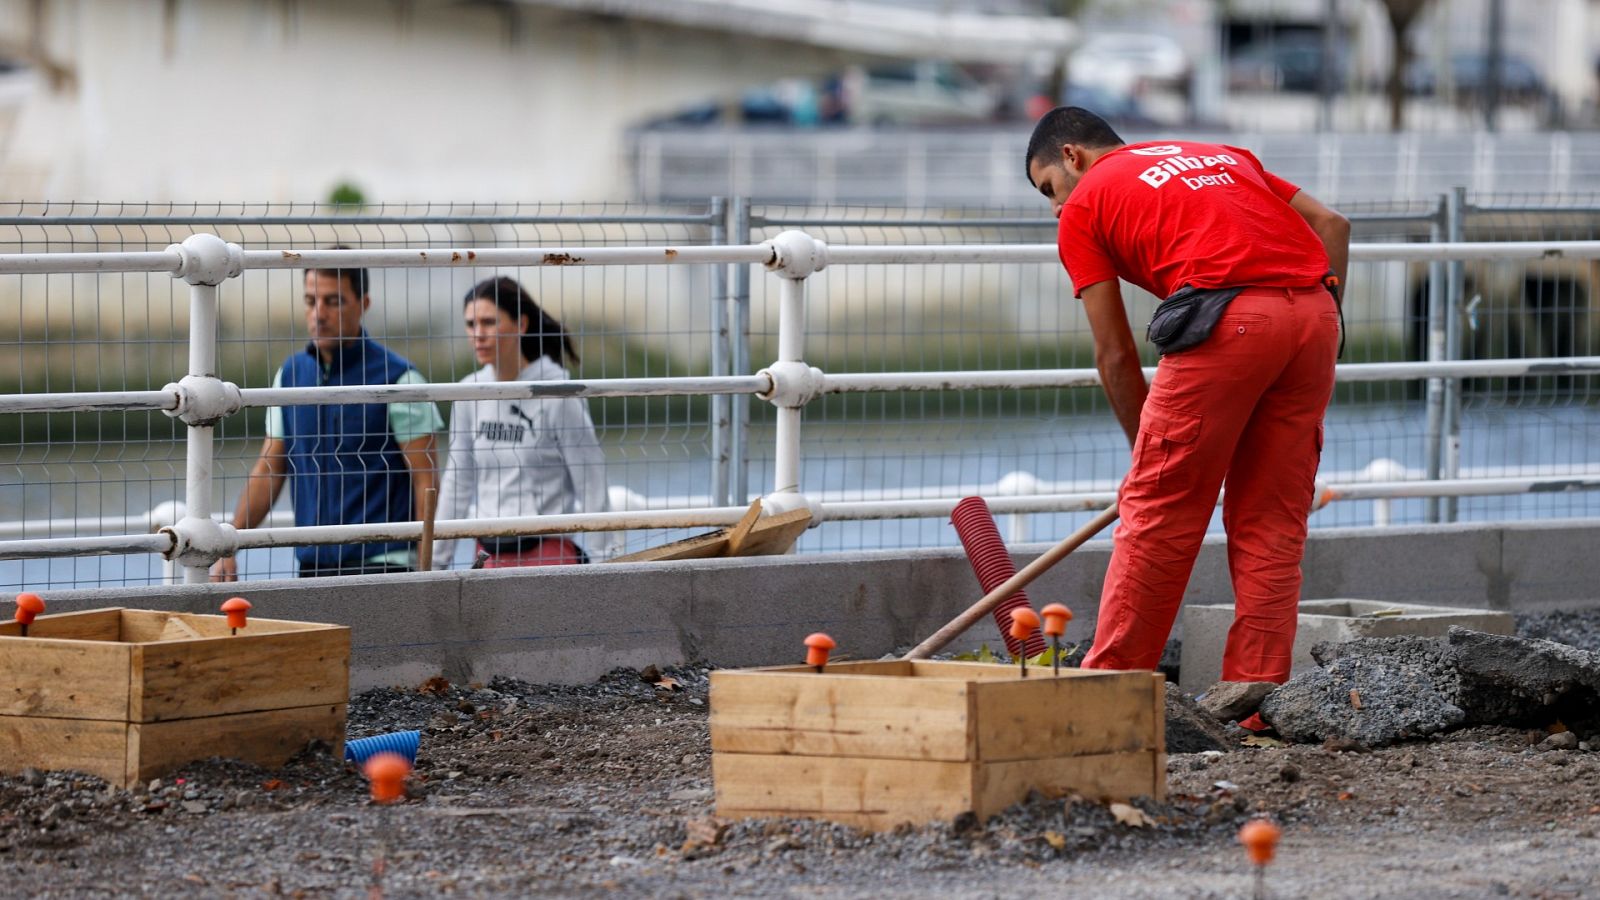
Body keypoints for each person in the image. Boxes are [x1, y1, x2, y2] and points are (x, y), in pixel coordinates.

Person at [1024, 107, 1350, 688]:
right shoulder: (1223, 154)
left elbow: (1116, 355)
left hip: (1228, 325)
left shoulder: (1086, 204)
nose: (1055, 205)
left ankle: (1111, 694)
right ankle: (1255, 698)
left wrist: (1146, 461)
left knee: (1157, 516)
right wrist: (1326, 326)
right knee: (1272, 521)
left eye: (1048, 187)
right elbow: (1331, 225)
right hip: (1315, 320)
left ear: (1071, 155)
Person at [212, 254, 443, 580]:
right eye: (311, 301)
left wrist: (425, 573)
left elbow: (426, 480)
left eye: (333, 302)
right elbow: (270, 467)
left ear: (363, 303)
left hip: (384, 564)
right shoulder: (290, 375)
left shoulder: (399, 380)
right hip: (312, 562)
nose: (319, 314)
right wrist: (228, 543)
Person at [433, 276, 614, 569]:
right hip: (488, 557)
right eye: (470, 324)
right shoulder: (469, 393)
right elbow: (458, 482)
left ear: (521, 325)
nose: (478, 334)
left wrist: (607, 568)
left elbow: (592, 485)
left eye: (489, 322)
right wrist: (434, 566)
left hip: (547, 557)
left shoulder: (558, 394)